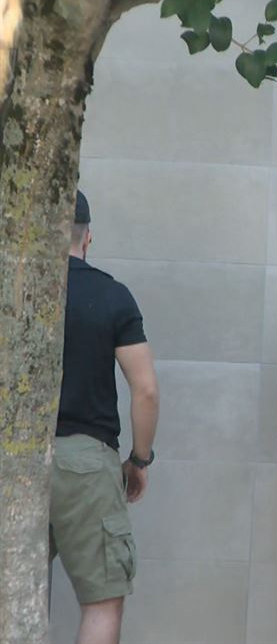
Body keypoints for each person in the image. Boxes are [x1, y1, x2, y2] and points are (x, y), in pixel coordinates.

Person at [52, 190, 160, 644]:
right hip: (86, 464)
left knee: (13, 593)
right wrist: (139, 459)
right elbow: (146, 389)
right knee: (101, 602)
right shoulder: (112, 295)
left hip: (13, 460)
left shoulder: (14, 293)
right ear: (87, 238)